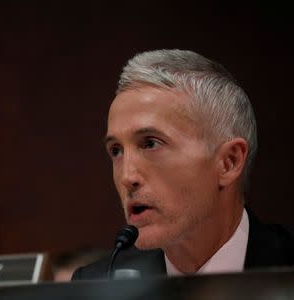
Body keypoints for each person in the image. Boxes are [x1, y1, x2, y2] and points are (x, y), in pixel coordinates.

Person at [72, 49, 294, 279]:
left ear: (229, 162)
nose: (128, 176)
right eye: (116, 150)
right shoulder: (94, 285)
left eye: (150, 144)